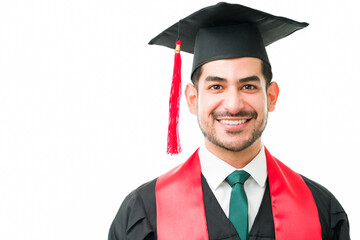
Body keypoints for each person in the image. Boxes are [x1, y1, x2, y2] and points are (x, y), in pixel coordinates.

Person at [108, 2, 350, 240]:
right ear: (192, 99)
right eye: (216, 86)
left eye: (248, 86)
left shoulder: (321, 212)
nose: (233, 105)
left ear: (271, 96)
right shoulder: (146, 214)